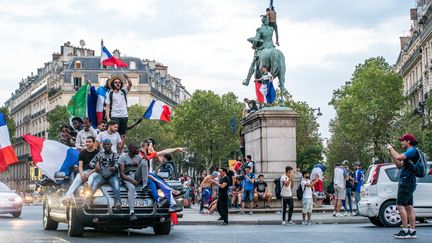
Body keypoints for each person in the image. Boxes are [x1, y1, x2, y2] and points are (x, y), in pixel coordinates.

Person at [387, 134, 419, 239]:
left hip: (406, 182)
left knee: (400, 205)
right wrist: (392, 153)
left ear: (408, 141)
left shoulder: (411, 151)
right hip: (410, 181)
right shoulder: (410, 153)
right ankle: (412, 231)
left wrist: (392, 149)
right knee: (409, 207)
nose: (401, 143)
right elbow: (399, 165)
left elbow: (398, 157)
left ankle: (405, 230)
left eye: (403, 141)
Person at [87, 139, 121, 210]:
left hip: (112, 175)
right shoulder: (100, 154)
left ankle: (117, 203)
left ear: (111, 145)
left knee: (116, 186)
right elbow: (91, 163)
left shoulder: (115, 155)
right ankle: (87, 202)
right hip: (101, 174)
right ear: (103, 146)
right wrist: (95, 166)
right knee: (94, 184)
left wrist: (114, 168)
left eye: (108, 144)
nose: (107, 146)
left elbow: (118, 163)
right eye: (105, 144)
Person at [63, 136, 99, 203]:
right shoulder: (82, 153)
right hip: (84, 171)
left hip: (94, 172)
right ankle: (67, 196)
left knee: (91, 179)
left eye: (89, 142)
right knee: (77, 178)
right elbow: (80, 166)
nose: (87, 143)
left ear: (94, 143)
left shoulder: (98, 153)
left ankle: (87, 199)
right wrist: (82, 174)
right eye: (86, 142)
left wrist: (89, 173)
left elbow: (97, 168)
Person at [118, 143, 148, 221]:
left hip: (136, 176)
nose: (138, 150)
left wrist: (144, 156)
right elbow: (122, 174)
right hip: (127, 177)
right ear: (131, 149)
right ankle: (131, 212)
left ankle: (145, 185)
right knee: (131, 188)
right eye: (136, 148)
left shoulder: (138, 156)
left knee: (144, 162)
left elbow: (144, 165)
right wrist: (132, 181)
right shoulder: (123, 157)